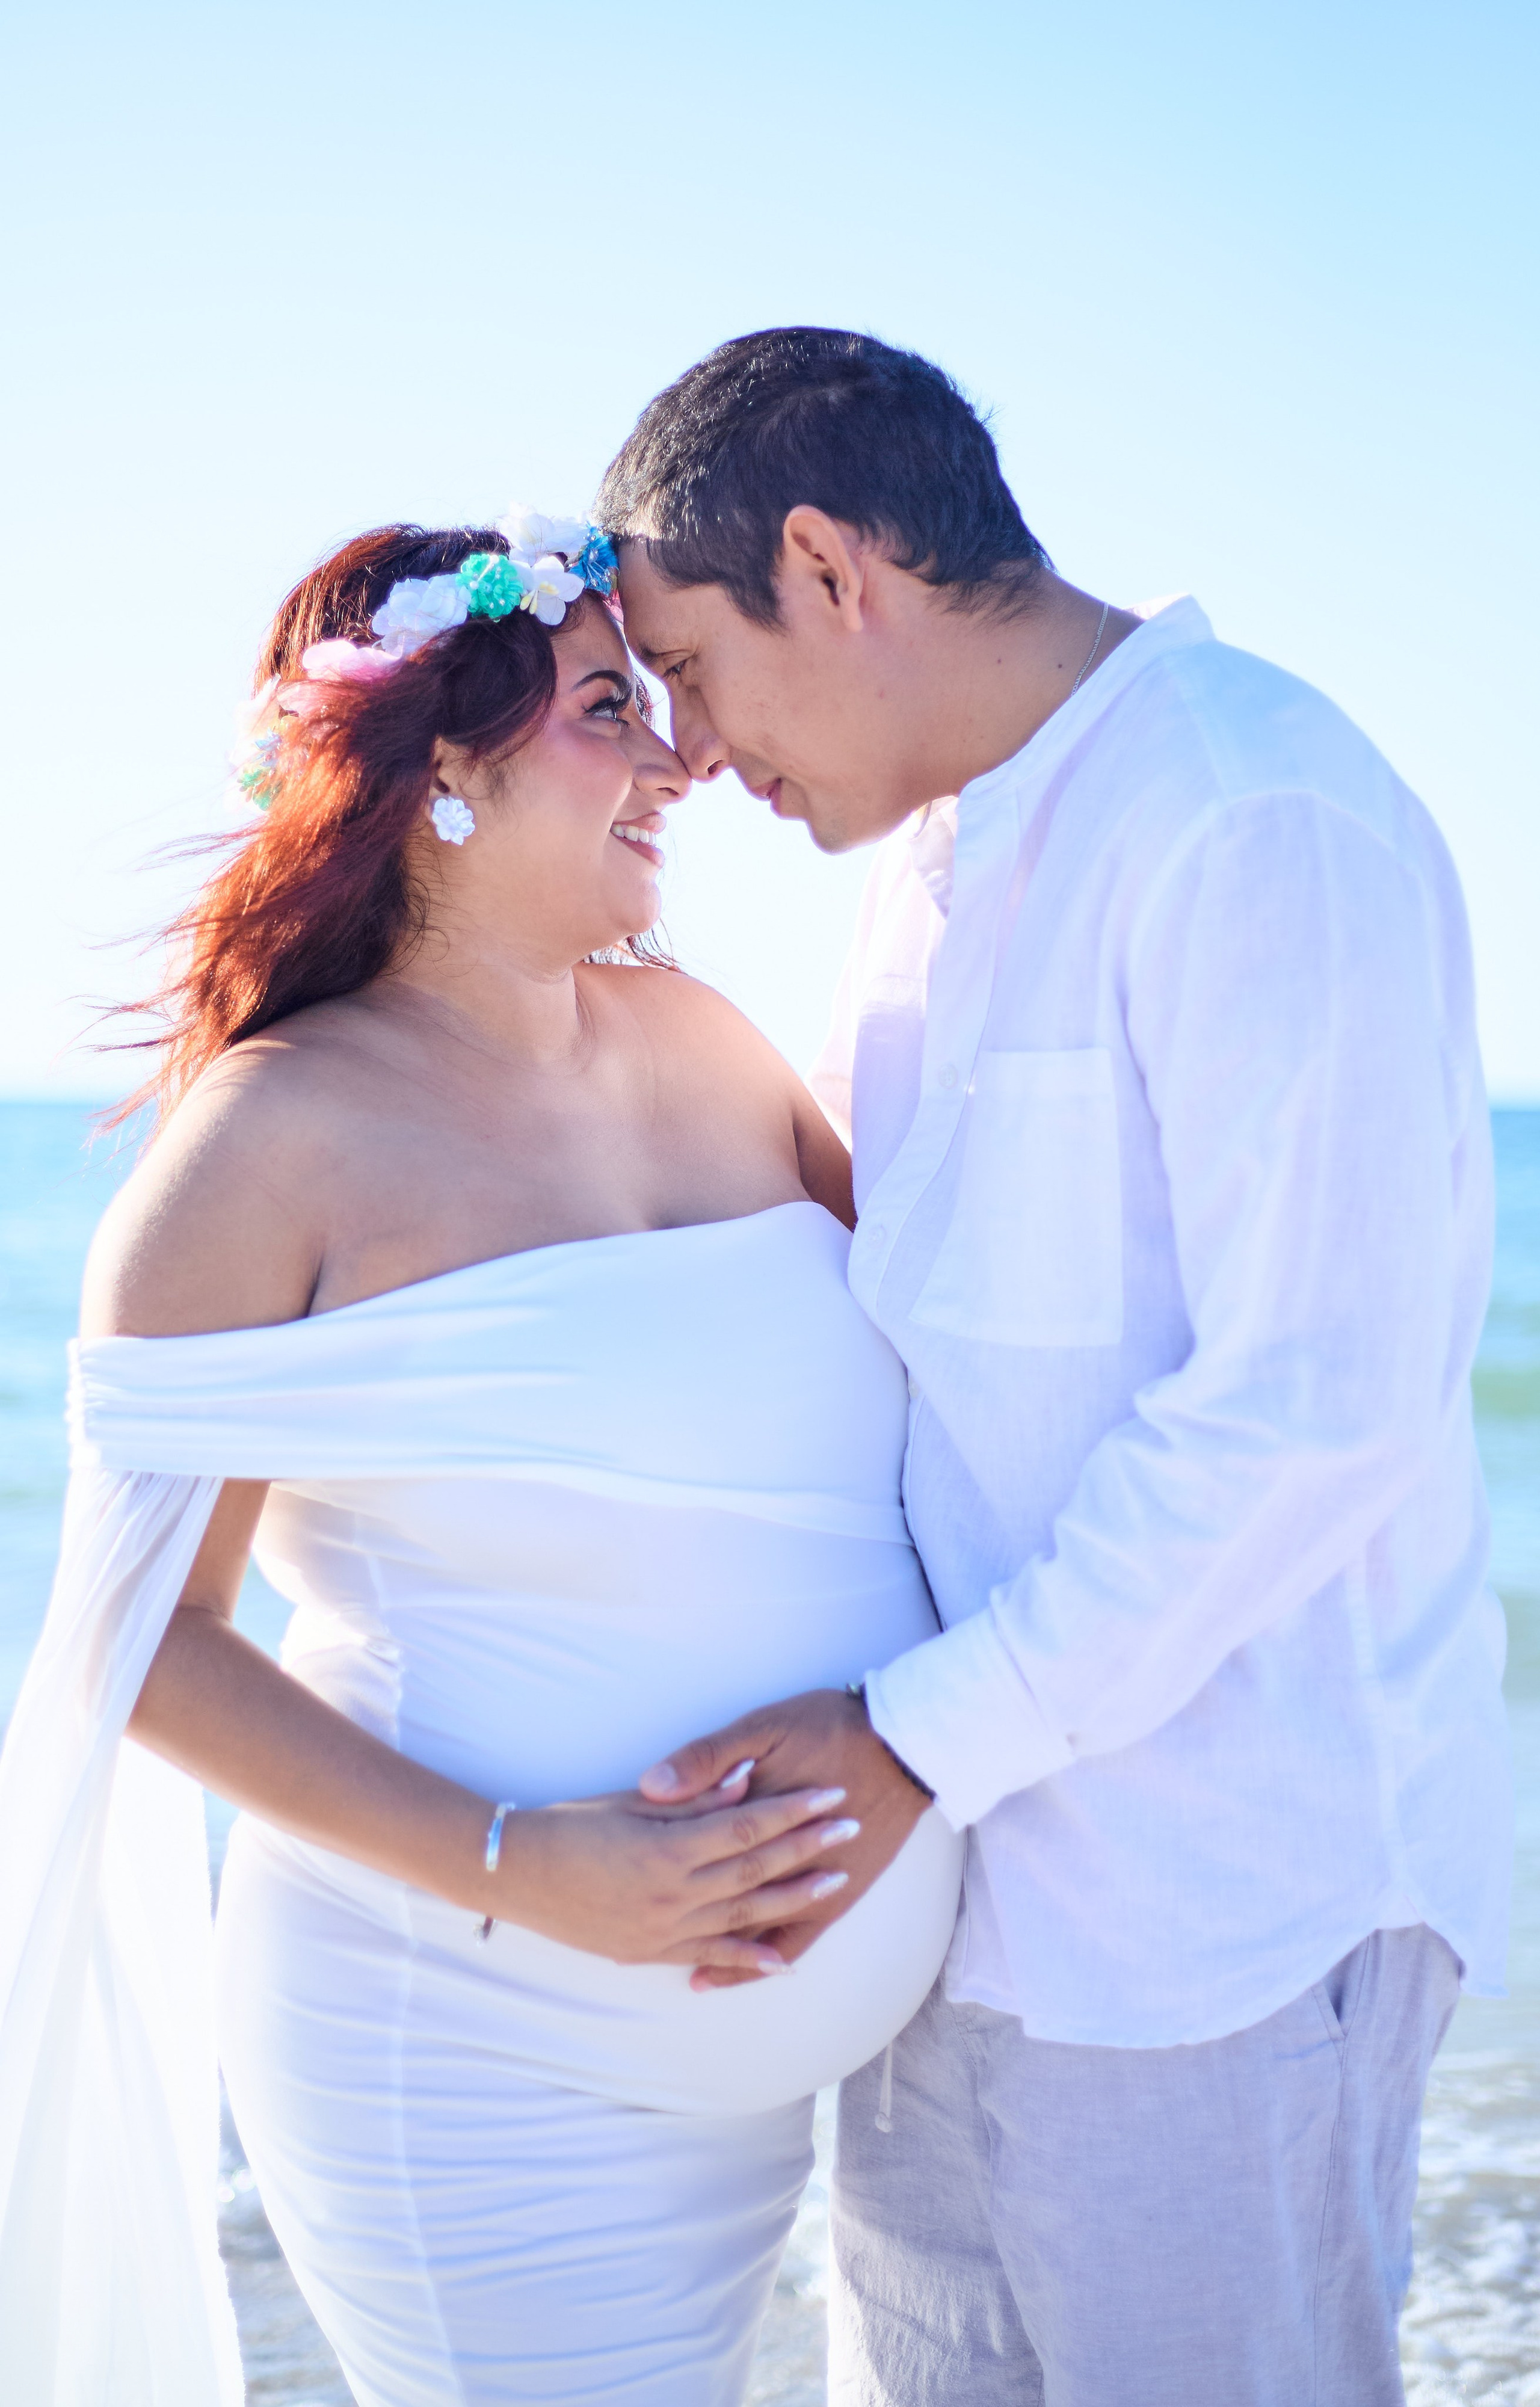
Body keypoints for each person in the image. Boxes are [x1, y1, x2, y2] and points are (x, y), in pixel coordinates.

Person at [599, 328, 1514, 2406]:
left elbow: (1315, 1405)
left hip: (1221, 1927)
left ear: (827, 568)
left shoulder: (1254, 809)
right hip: (950, 1909)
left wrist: (907, 1741)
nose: (693, 750)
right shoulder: (922, 881)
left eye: (695, 669)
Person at [0, 510, 962, 2407]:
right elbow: (142, 1648)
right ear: (442, 769)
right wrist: (538, 1871)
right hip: (469, 2054)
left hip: (766, 2092)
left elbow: (956, 1379)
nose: (680, 759)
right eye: (611, 709)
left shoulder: (711, 1041)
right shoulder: (265, 1148)